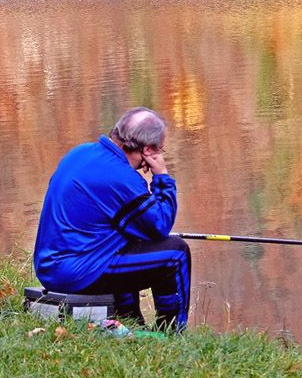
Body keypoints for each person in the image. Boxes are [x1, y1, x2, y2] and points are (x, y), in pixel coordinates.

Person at [33, 107, 190, 332]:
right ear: (147, 150)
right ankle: (172, 330)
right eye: (159, 149)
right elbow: (160, 226)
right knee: (175, 253)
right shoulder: (121, 178)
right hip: (74, 271)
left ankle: (131, 319)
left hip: (50, 266)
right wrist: (162, 177)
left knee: (129, 238)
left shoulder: (81, 152)